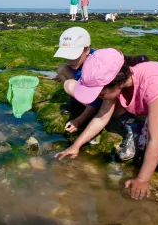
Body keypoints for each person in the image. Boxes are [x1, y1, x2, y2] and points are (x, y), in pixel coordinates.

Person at [55, 49, 158, 200]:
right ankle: (152, 126)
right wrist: (76, 146)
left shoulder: (151, 84)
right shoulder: (118, 81)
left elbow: (155, 140)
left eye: (101, 93)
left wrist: (143, 180)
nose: (99, 97)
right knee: (117, 109)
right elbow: (101, 117)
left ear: (114, 83)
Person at [53, 29, 138, 160]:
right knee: (62, 69)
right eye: (67, 55)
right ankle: (79, 104)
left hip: (109, 98)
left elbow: (96, 100)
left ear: (88, 49)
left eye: (74, 55)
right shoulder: (85, 60)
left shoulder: (96, 69)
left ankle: (130, 126)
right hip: (97, 95)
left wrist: (79, 120)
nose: (70, 60)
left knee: (70, 85)